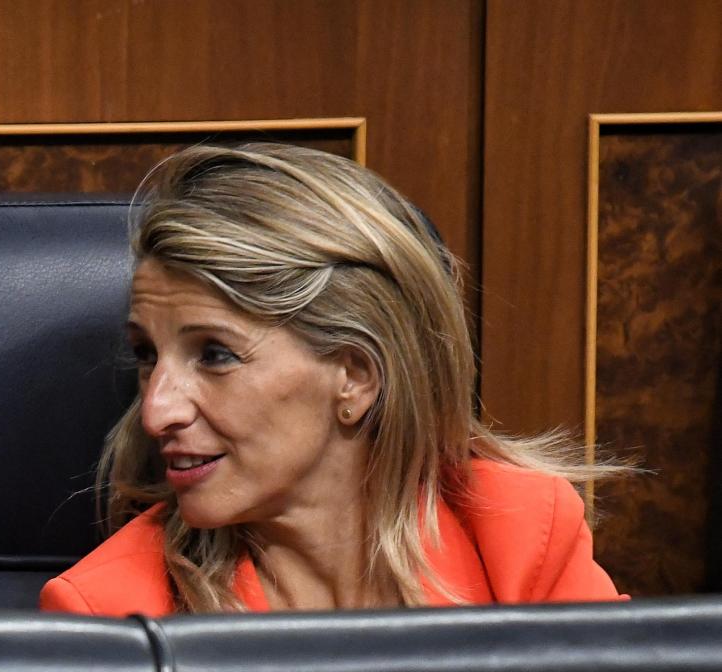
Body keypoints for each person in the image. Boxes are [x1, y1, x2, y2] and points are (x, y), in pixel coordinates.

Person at [41, 142, 626, 616]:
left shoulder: (521, 535)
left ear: (355, 376)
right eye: (146, 355)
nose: (155, 412)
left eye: (215, 355)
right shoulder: (113, 611)